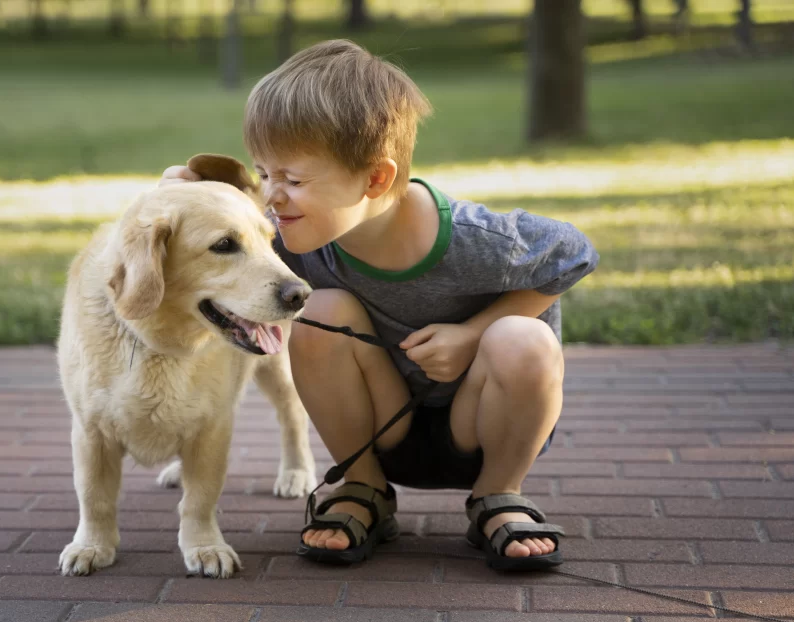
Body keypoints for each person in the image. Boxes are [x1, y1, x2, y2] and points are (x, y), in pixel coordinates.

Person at [160, 39, 598, 571]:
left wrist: (473, 334)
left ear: (376, 178)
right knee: (319, 312)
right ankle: (362, 488)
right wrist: (185, 197)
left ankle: (499, 497)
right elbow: (224, 249)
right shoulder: (300, 236)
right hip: (381, 428)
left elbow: (575, 253)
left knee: (522, 337)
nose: (272, 196)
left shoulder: (479, 240)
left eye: (293, 180)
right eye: (265, 173)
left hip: (485, 426)